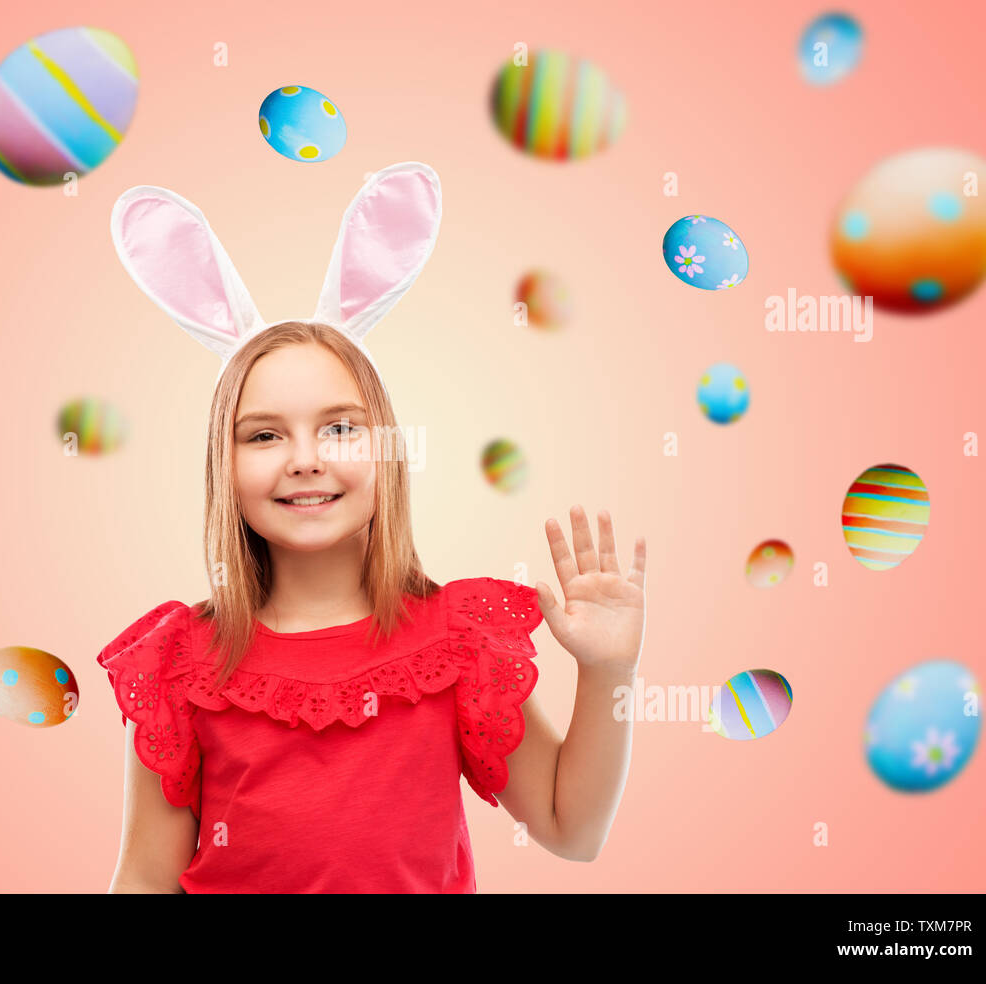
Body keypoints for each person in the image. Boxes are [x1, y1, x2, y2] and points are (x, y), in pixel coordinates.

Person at [98, 163, 647, 893]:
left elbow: (570, 829)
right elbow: (143, 878)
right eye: (263, 436)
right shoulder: (183, 665)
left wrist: (609, 672)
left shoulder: (455, 642)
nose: (303, 461)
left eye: (339, 429)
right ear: (221, 467)